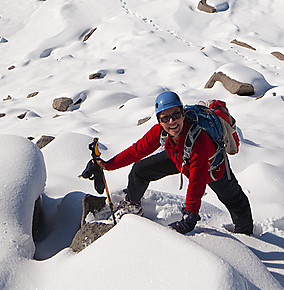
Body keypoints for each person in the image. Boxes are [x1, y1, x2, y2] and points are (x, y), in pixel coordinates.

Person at [95, 90, 254, 235]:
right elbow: (137, 150)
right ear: (159, 121)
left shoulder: (200, 141)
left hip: (212, 168)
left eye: (176, 115)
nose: (172, 121)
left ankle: (246, 234)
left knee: (235, 200)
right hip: (181, 158)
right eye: (165, 118)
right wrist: (107, 165)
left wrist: (190, 215)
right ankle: (131, 205)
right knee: (141, 170)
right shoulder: (160, 132)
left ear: (183, 114)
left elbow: (197, 181)